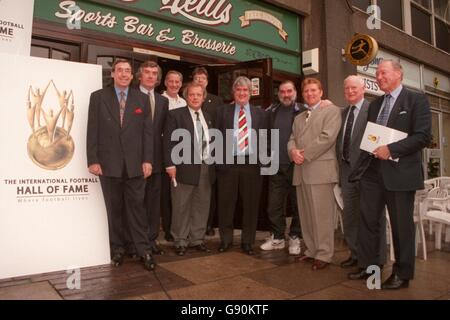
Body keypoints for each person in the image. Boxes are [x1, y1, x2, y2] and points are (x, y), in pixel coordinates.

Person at [348, 59, 431, 289]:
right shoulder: (375, 105)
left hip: (401, 174)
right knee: (368, 222)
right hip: (373, 174)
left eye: (383, 72)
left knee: (401, 226)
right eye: (377, 74)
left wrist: (392, 149)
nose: (379, 77)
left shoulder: (416, 100)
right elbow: (371, 138)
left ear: (398, 74)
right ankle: (369, 267)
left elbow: (423, 136)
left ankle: (402, 275)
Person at [86, 58, 155, 271]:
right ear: (113, 74)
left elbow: (147, 133)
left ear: (132, 76)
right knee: (114, 210)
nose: (124, 74)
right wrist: (93, 159)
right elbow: (92, 130)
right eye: (120, 71)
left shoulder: (141, 99)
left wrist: (147, 160)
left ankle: (144, 250)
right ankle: (117, 250)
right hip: (109, 165)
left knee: (137, 210)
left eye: (128, 71)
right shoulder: (98, 97)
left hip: (135, 165)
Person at [287, 78, 341, 270]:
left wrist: (304, 154)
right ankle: (310, 250)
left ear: (321, 91)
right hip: (301, 171)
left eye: (313, 90)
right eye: (306, 91)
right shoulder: (299, 117)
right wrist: (293, 152)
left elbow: (327, 138)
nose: (309, 94)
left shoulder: (332, 111)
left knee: (322, 216)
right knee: (307, 215)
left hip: (320, 172)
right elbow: (291, 139)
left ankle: (324, 254)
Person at [336, 75, 386, 269]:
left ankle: (376, 260)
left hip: (368, 173)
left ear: (363, 89)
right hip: (347, 172)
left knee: (372, 218)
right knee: (350, 217)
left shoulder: (373, 110)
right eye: (347, 88)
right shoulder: (342, 113)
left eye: (354, 88)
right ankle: (356, 254)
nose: (350, 91)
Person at [216, 76, 267, 255]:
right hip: (228, 164)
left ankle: (247, 242)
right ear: (234, 92)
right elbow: (216, 137)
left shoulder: (261, 113)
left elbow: (266, 139)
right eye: (239, 90)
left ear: (250, 93)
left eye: (245, 90)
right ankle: (226, 240)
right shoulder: (222, 111)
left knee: (251, 205)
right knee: (226, 204)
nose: (242, 93)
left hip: (252, 164)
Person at [164, 82, 215, 256]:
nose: (195, 97)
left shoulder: (208, 116)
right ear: (186, 97)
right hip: (182, 168)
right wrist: (170, 164)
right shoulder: (175, 115)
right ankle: (180, 240)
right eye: (191, 94)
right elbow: (168, 142)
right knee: (181, 205)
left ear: (203, 97)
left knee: (201, 205)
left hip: (205, 167)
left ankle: (197, 239)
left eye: (198, 95)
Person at [260, 80, 304, 255]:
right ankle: (277, 237)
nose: (286, 95)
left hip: (297, 166)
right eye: (283, 92)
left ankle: (294, 237)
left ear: (295, 92)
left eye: (289, 91)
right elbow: (264, 136)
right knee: (273, 206)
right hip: (275, 166)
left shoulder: (304, 110)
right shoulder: (271, 112)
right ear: (278, 94)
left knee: (297, 206)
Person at [138, 61, 169, 255]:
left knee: (152, 203)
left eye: (154, 73)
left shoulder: (163, 101)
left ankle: (150, 240)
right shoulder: (130, 96)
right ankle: (136, 241)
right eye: (147, 73)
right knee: (136, 203)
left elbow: (163, 133)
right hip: (136, 160)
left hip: (157, 161)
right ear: (139, 76)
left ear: (158, 79)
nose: (150, 76)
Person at [192, 66, 224, 236]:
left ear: (207, 82)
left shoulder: (216, 101)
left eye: (203, 79)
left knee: (208, 191)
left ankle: (208, 224)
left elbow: (220, 125)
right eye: (197, 78)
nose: (200, 81)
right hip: (189, 152)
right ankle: (192, 226)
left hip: (210, 152)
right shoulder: (188, 98)